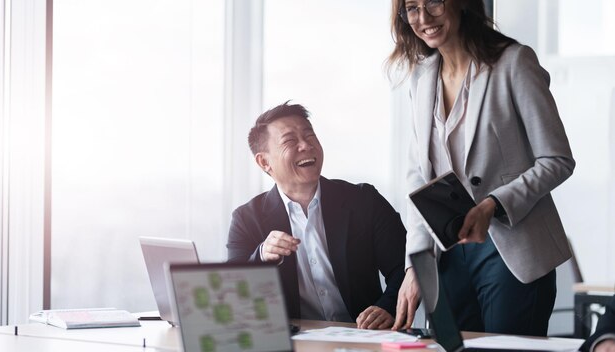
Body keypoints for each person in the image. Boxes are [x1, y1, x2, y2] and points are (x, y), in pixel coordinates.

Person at [386, 0, 575, 336]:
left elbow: (557, 160)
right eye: (412, 8)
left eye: (433, 3)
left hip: (511, 255)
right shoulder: (421, 78)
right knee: (447, 345)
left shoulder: (514, 62)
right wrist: (417, 263)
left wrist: (493, 204)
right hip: (446, 260)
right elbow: (417, 178)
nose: (423, 18)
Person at [227, 101, 407, 329]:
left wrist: (388, 307)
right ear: (265, 162)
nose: (306, 145)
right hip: (296, 342)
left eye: (309, 135)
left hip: (362, 337)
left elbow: (407, 265)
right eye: (290, 140)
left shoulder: (364, 200)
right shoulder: (247, 219)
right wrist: (262, 255)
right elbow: (231, 291)